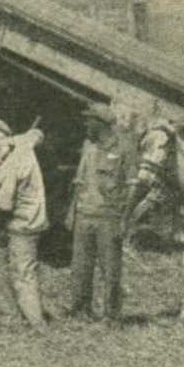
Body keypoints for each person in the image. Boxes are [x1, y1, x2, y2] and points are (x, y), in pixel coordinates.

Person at [66, 104, 136, 324]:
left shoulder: (124, 147)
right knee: (80, 267)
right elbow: (79, 181)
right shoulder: (88, 146)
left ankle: (112, 315)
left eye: (90, 120)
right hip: (84, 214)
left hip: (109, 217)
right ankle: (80, 310)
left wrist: (126, 219)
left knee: (110, 270)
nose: (86, 124)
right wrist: (71, 212)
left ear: (102, 123)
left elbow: (133, 186)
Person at [0, 116, 49, 332]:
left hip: (23, 223)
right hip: (12, 222)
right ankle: (11, 314)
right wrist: (29, 137)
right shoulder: (21, 143)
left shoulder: (9, 165)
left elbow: (4, 207)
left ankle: (38, 325)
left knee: (23, 273)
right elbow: (38, 135)